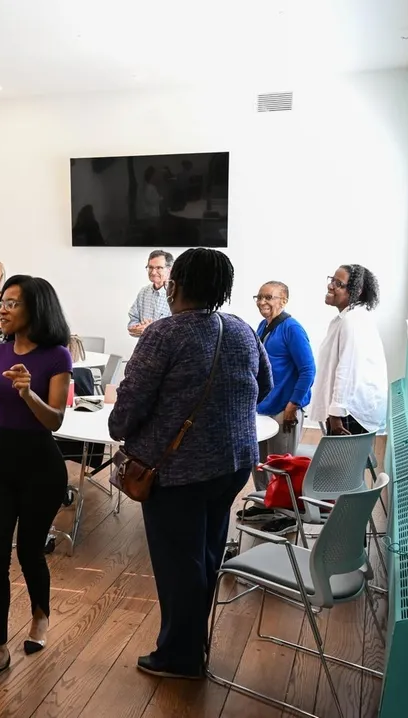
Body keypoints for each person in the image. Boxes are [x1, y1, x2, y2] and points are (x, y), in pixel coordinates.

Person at [108, 248, 272, 680]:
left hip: (175, 471)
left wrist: (118, 423)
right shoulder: (241, 329)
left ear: (175, 285)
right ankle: (194, 644)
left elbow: (129, 407)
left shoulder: (163, 334)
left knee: (180, 564)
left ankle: (179, 658)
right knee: (205, 554)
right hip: (233, 463)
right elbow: (265, 384)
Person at [0, 275, 73, 686]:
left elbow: (55, 420)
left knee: (29, 552)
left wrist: (27, 393)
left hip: (41, 465)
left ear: (35, 309)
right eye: (1, 302)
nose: (2, 308)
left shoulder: (57, 356)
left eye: (12, 303)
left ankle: (40, 614)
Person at [238, 281, 317, 528]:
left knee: (282, 464)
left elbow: (308, 369)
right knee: (259, 461)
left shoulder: (292, 329)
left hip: (285, 409)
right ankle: (265, 505)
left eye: (269, 297)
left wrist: (293, 405)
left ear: (284, 300)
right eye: (259, 297)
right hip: (262, 408)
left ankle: (287, 516)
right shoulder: (263, 325)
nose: (262, 302)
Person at [313, 264, 388, 436]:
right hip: (350, 409)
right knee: (347, 462)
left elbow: (347, 369)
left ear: (357, 291)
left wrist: (336, 413)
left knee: (341, 463)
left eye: (339, 284)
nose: (330, 285)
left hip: (349, 412)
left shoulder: (352, 321)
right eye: (332, 280)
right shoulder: (349, 317)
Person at [128, 250, 173, 337]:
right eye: (150, 267)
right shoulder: (144, 292)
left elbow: (180, 329)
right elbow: (132, 322)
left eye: (159, 268)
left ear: (169, 270)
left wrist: (151, 329)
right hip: (146, 347)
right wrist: (137, 328)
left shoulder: (178, 294)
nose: (153, 272)